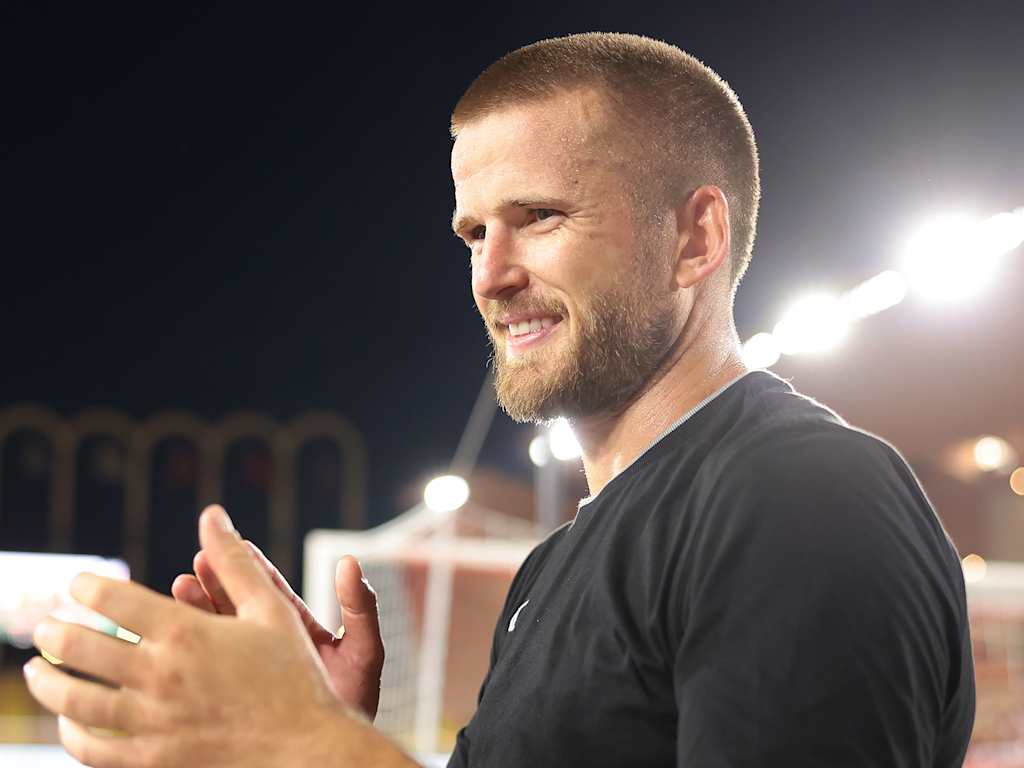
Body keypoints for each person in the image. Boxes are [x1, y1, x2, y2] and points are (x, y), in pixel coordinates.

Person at [24, 32, 974, 767]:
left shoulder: (800, 493)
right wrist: (334, 732)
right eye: (474, 233)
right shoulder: (557, 565)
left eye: (541, 218)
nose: (490, 275)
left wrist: (311, 745)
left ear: (695, 239)